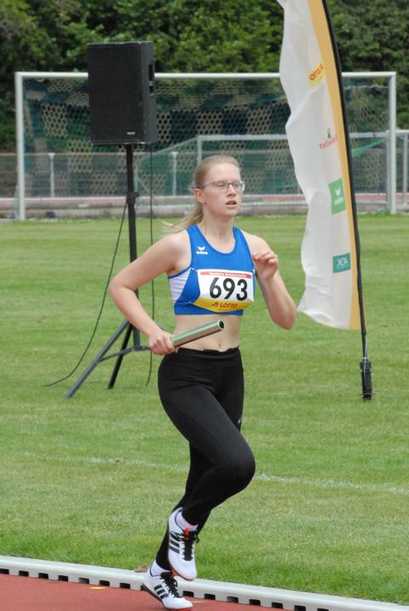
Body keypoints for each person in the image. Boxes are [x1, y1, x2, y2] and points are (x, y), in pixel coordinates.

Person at [109, 154, 297, 609]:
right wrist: (152, 330)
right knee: (237, 464)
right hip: (186, 373)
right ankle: (183, 524)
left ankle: (160, 572)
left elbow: (286, 319)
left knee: (204, 476)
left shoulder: (254, 245)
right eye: (221, 184)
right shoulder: (179, 245)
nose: (232, 191)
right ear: (200, 194)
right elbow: (121, 285)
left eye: (237, 184)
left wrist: (270, 279)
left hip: (229, 372)